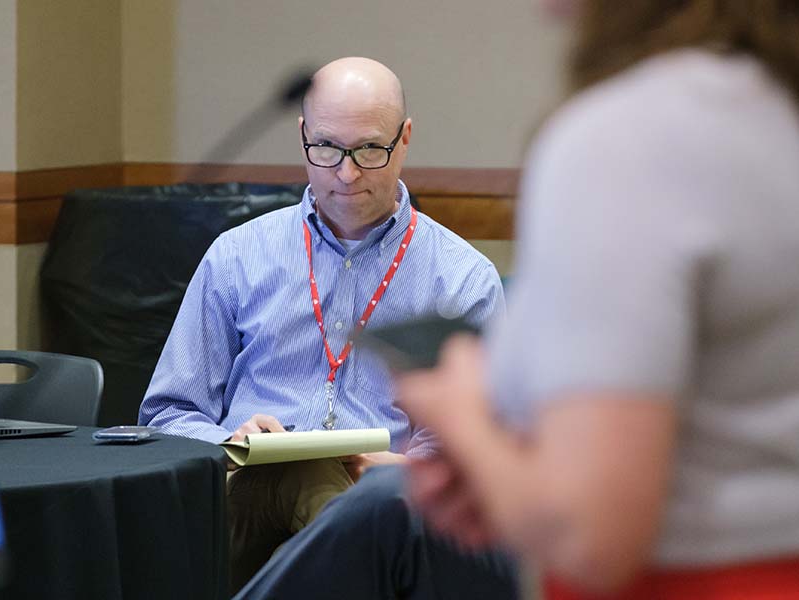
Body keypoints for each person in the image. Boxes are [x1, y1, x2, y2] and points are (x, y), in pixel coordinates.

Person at [234, 1, 799, 599]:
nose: (348, 172)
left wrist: (462, 421)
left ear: (403, 141)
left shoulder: (627, 140)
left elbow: (589, 537)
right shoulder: (772, 111)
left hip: (686, 580)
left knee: (381, 503)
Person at [138, 56, 505, 593]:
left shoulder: (461, 278)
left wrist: (403, 468)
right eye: (327, 147)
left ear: (405, 139)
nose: (347, 172)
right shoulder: (238, 256)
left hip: (384, 498)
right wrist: (230, 440)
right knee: (299, 481)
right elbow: (167, 412)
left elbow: (477, 439)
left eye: (370, 150)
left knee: (363, 508)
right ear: (303, 136)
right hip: (242, 491)